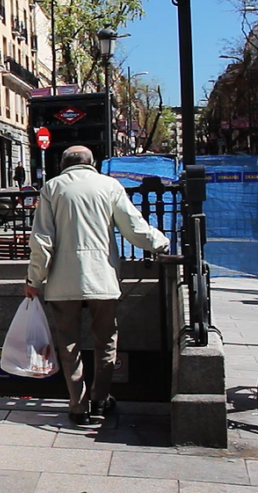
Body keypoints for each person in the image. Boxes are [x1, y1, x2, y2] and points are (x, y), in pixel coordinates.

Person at [25, 146, 169, 426]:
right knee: (106, 341)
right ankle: (101, 398)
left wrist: (34, 280)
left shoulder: (52, 188)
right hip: (102, 277)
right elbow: (134, 228)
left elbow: (42, 240)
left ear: (64, 164)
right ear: (92, 163)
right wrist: (160, 243)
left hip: (62, 282)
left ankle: (78, 405)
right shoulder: (110, 186)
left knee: (68, 345)